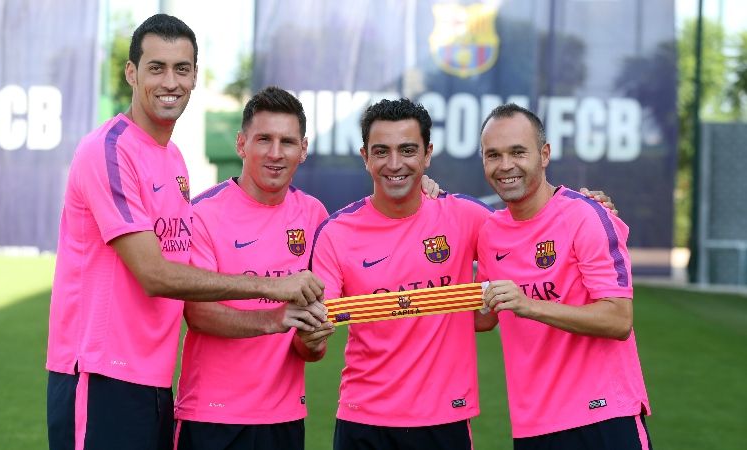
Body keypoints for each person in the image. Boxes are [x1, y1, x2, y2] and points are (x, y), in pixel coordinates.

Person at [45, 16, 323, 450]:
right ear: (132, 73)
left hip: (154, 380)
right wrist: (272, 288)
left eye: (181, 68)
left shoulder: (173, 158)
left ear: (194, 76)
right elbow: (155, 274)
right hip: (101, 375)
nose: (170, 81)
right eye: (156, 67)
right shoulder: (110, 149)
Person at [310, 98, 496, 449]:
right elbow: (315, 337)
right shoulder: (337, 232)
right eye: (382, 151)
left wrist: (589, 206)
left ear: (427, 155)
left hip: (445, 420)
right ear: (365, 156)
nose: (395, 164)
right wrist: (310, 332)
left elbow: (534, 232)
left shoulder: (465, 216)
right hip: (363, 421)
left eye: (408, 150)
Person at [476, 103, 652, 449]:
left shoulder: (586, 216)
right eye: (493, 155)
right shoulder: (490, 232)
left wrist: (529, 305)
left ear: (544, 154)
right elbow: (484, 318)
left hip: (604, 417)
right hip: (534, 425)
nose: (505, 165)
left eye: (517, 152)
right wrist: (395, 307)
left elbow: (618, 319)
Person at [173, 86, 334, 450]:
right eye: (264, 139)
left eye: (288, 142)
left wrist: (313, 340)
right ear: (241, 144)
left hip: (285, 418)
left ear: (303, 150)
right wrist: (274, 319)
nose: (275, 154)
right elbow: (198, 313)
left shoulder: (315, 216)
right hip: (212, 416)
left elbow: (312, 342)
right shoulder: (203, 214)